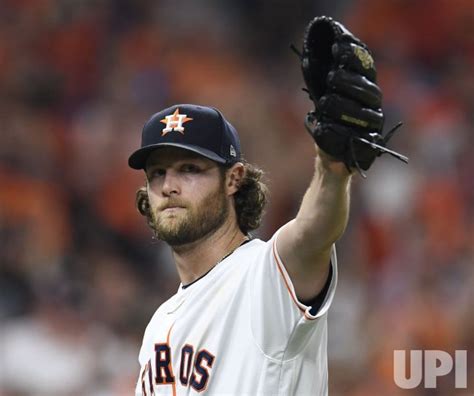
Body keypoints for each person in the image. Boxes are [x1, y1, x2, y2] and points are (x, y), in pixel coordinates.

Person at [128, 103, 351, 395]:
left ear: (233, 179)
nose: (169, 185)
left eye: (189, 169)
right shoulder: (159, 323)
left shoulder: (263, 275)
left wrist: (332, 168)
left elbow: (314, 231)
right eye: (157, 173)